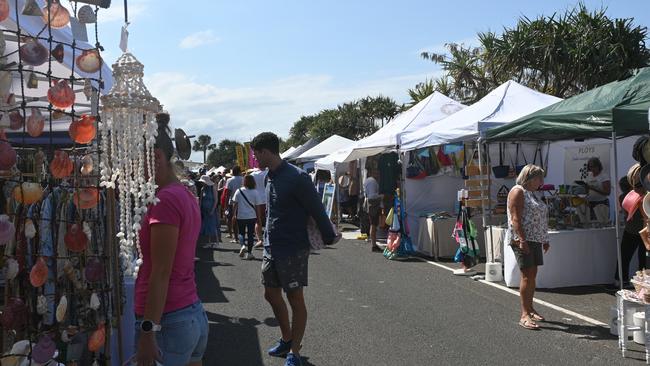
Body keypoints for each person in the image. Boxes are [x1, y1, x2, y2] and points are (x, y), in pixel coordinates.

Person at [252, 132, 336, 366]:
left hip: (292, 248)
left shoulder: (298, 177)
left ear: (266, 152)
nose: (255, 159)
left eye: (256, 154)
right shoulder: (269, 176)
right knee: (270, 293)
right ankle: (287, 339)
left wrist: (328, 236)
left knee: (295, 298)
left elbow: (316, 208)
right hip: (271, 247)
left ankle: (295, 352)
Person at [134, 113, 208, 365]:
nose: (134, 170)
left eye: (136, 161)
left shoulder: (165, 200)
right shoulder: (184, 194)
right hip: (188, 311)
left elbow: (161, 272)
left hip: (167, 321)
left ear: (156, 157)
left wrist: (147, 331)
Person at [505, 164, 550, 330]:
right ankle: (524, 314)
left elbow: (539, 219)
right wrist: (522, 240)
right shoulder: (518, 191)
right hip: (522, 239)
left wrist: (544, 239)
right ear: (529, 178)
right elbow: (515, 219)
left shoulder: (532, 194)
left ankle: (530, 309)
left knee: (532, 275)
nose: (541, 181)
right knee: (526, 276)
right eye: (539, 178)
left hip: (535, 239)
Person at [618, 164, 648, 285]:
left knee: (629, 256)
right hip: (639, 230)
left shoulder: (627, 197)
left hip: (635, 230)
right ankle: (641, 282)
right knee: (642, 259)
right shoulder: (630, 197)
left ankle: (639, 283)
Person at [233, 174, 263, 260]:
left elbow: (235, 204)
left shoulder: (238, 191)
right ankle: (249, 253)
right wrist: (259, 218)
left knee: (241, 233)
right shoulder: (255, 192)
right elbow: (257, 207)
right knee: (250, 234)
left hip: (241, 215)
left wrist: (234, 215)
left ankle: (242, 245)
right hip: (251, 216)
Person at [577, 157, 611, 225]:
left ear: (598, 166)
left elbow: (607, 192)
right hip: (589, 204)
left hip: (601, 204)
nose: (592, 168)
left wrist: (593, 188)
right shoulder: (589, 175)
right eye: (590, 167)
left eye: (593, 166)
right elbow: (587, 189)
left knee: (602, 224)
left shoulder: (604, 176)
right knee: (590, 224)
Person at [198, 175, 220, 249]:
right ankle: (209, 242)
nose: (202, 183)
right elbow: (201, 200)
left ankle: (216, 242)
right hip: (204, 210)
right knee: (207, 227)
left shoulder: (213, 187)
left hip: (211, 210)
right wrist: (199, 209)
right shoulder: (202, 189)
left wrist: (213, 210)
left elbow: (216, 200)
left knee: (213, 226)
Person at [364, 171, 383, 252]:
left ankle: (373, 244)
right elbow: (372, 197)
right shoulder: (372, 181)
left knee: (373, 224)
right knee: (373, 225)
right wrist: (381, 196)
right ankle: (373, 245)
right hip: (373, 206)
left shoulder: (368, 180)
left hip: (371, 206)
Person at [225, 166, 244, 242]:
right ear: (239, 171)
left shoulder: (230, 180)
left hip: (232, 202)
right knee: (241, 220)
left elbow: (228, 194)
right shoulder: (243, 179)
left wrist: (225, 205)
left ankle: (235, 238)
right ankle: (241, 236)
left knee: (233, 220)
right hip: (243, 202)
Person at [251, 168, 269, 247]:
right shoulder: (269, 173)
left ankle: (260, 240)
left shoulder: (253, 174)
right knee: (268, 220)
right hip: (267, 199)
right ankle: (268, 239)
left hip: (256, 199)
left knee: (258, 220)